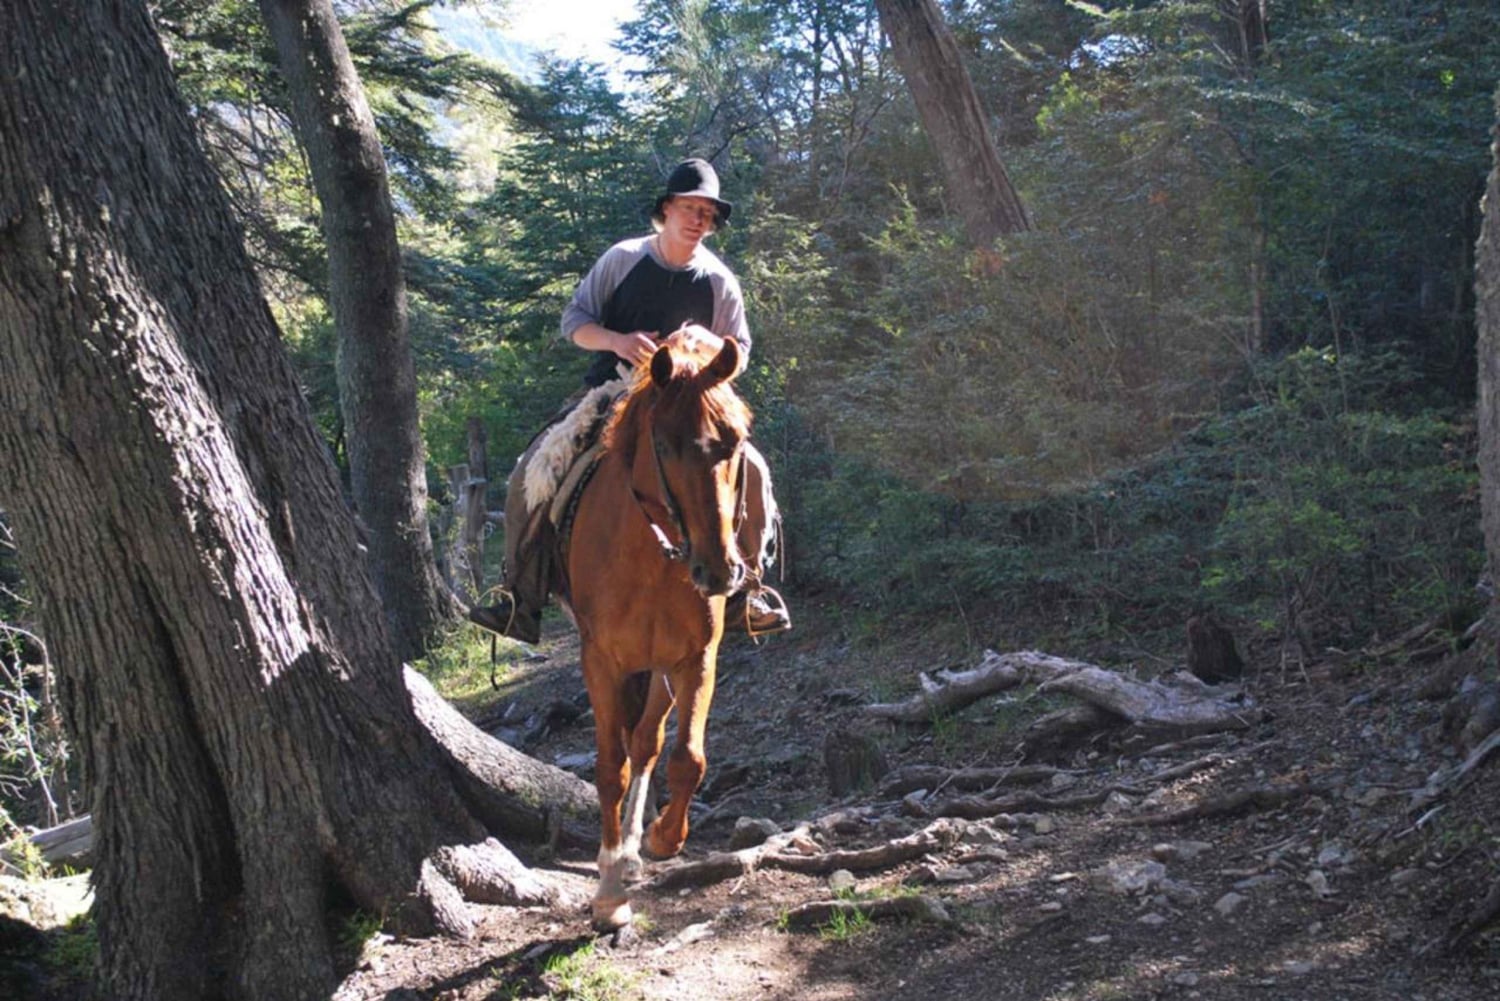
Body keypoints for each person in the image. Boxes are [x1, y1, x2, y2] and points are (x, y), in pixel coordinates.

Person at [468, 158, 791, 644]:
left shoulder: (721, 281)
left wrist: (709, 343)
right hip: (611, 391)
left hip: (691, 403)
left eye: (707, 212)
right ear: (667, 209)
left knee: (756, 472)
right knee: (533, 469)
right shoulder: (623, 258)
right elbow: (574, 321)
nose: (698, 219)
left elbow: (740, 351)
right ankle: (519, 596)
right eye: (689, 208)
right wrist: (617, 341)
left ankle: (749, 591)